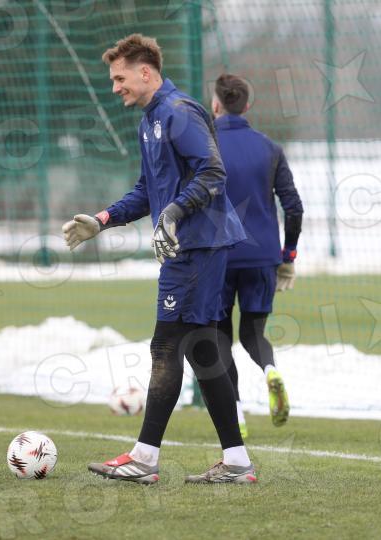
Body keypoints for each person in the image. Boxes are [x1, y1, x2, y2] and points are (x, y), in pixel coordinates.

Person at [62, 34, 256, 485]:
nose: (115, 87)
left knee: (165, 346)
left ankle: (144, 459)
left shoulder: (178, 112)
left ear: (146, 72)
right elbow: (147, 190)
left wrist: (174, 213)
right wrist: (102, 220)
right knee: (203, 351)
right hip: (190, 247)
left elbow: (213, 171)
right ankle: (237, 462)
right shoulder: (150, 119)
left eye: (120, 78)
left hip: (196, 246)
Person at [210, 73, 303, 436]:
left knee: (218, 336)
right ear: (247, 105)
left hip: (217, 255)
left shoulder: (205, 145)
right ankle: (270, 371)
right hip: (262, 255)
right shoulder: (270, 148)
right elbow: (293, 207)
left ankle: (233, 410)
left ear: (215, 104)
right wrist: (288, 255)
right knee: (253, 333)